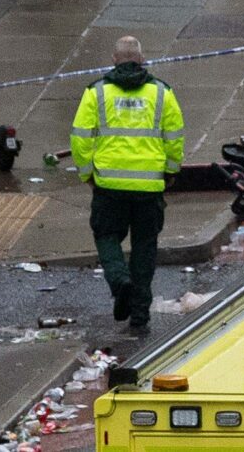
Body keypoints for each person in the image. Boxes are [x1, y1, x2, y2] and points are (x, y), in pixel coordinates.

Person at [69, 37, 185, 336]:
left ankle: (119, 281)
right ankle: (139, 316)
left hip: (109, 185)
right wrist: (170, 173)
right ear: (142, 58)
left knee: (107, 235)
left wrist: (88, 175)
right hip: (149, 187)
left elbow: (80, 139)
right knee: (145, 249)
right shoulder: (162, 93)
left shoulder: (96, 93)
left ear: (114, 59)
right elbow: (175, 140)